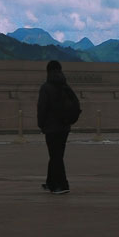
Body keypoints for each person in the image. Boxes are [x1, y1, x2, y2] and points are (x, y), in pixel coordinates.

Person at [37, 60, 81, 194]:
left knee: (56, 156)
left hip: (52, 128)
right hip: (65, 127)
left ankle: (62, 185)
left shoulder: (46, 87)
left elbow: (42, 108)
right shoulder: (65, 86)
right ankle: (50, 182)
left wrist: (41, 124)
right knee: (56, 155)